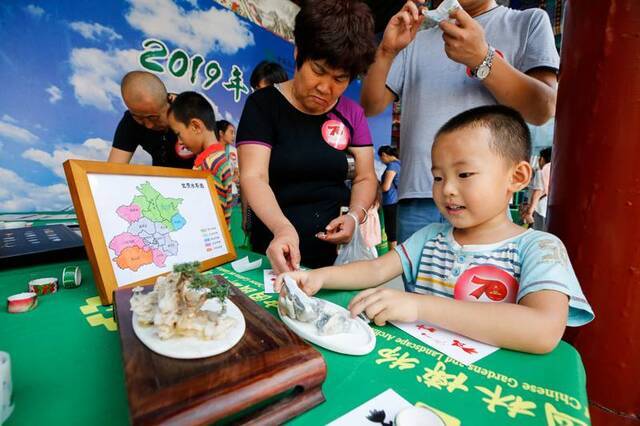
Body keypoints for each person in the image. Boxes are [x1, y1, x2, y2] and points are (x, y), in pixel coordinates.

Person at [276, 106, 593, 354]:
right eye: (439, 177)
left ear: (518, 176)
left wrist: (418, 306)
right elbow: (375, 269)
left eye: (465, 174)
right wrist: (318, 277)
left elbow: (543, 329)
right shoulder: (431, 237)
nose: (448, 190)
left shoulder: (540, 247)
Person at [360, 0, 560, 243]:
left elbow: (543, 107)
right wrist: (386, 52)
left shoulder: (526, 22)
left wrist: (482, 58)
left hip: (486, 200)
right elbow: (372, 105)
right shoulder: (416, 36)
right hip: (419, 194)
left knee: (479, 282)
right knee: (417, 281)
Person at [237, 0, 378, 272]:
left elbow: (365, 176)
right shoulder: (263, 105)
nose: (325, 87)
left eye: (340, 78)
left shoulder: (352, 113)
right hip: (274, 246)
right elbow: (253, 176)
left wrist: (354, 215)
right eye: (318, 70)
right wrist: (282, 230)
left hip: (333, 256)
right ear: (298, 53)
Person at [167, 92, 233, 225]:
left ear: (196, 126)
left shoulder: (208, 165)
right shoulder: (217, 158)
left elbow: (209, 218)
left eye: (179, 134)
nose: (179, 142)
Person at [108, 71, 194, 168]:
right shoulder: (130, 121)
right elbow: (114, 168)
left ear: (169, 102)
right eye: (139, 118)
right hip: (161, 179)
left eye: (153, 117)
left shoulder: (193, 114)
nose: (149, 125)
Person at [378, 145, 401, 249]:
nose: (381, 161)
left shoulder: (392, 165)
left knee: (391, 232)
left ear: (384, 155)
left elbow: (386, 187)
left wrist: (377, 188)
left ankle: (392, 256)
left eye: (381, 158)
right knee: (394, 230)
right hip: (397, 200)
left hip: (391, 201)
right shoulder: (400, 164)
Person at [523, 146, 552, 230]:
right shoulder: (553, 173)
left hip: (539, 210)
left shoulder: (541, 172)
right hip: (547, 211)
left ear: (542, 159)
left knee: (536, 231)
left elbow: (538, 192)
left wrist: (529, 212)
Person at [216, 120, 240, 205]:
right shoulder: (211, 150)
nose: (233, 136)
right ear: (221, 133)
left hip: (232, 194)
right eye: (231, 132)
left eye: (234, 133)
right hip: (216, 193)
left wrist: (236, 176)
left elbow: (236, 170)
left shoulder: (234, 151)